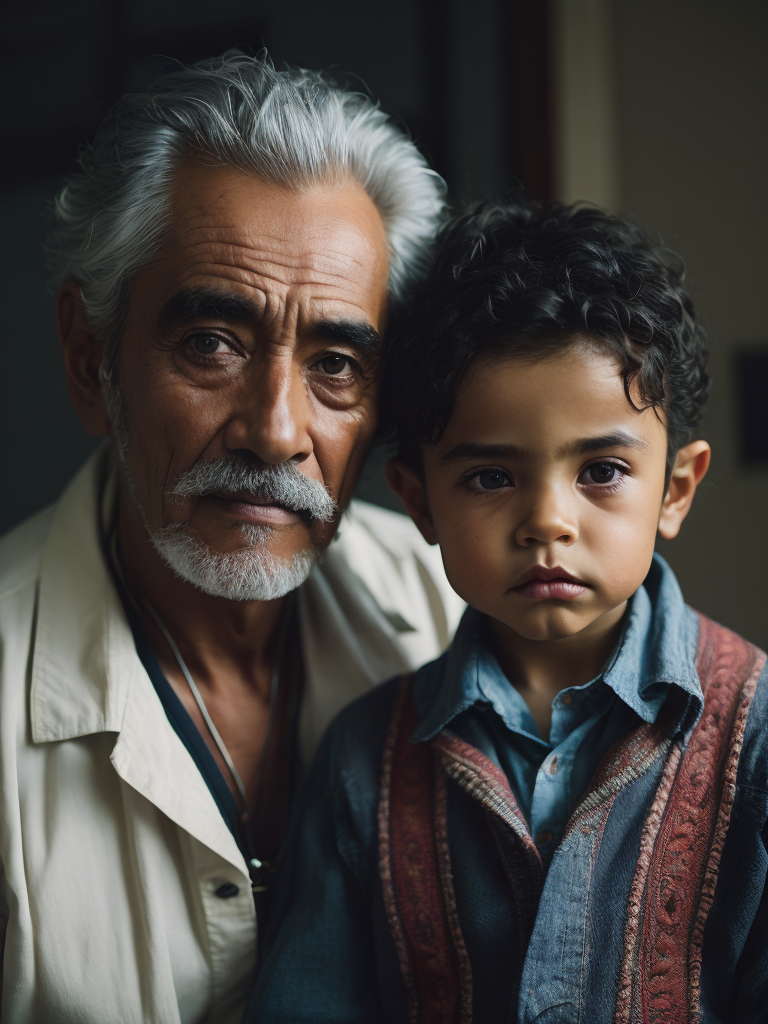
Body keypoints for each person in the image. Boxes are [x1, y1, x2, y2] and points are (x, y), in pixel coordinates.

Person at [0, 52, 465, 1024]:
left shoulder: (452, 605)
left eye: (337, 363)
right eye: (212, 343)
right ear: (92, 363)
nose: (276, 429)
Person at [250, 197, 768, 1023]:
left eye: (600, 471)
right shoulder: (362, 764)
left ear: (676, 490)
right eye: (491, 477)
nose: (547, 521)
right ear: (421, 505)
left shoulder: (757, 733)